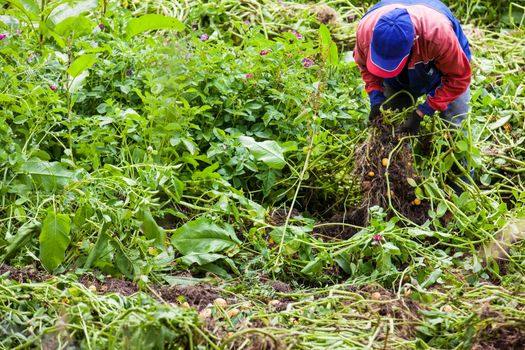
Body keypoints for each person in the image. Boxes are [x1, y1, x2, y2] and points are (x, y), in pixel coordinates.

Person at [353, 0, 471, 134]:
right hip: (398, 77)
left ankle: (453, 147)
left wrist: (423, 112)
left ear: (414, 42)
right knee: (392, 124)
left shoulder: (438, 36)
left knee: (454, 125)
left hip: (447, 68)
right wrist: (376, 98)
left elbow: (458, 78)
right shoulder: (365, 31)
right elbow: (365, 66)